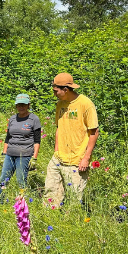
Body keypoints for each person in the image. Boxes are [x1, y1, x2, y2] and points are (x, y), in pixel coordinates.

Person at [44, 73, 99, 208]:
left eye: (55, 91)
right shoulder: (60, 104)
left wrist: (86, 158)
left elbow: (94, 132)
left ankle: (71, 219)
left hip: (77, 160)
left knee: (74, 200)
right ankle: (49, 217)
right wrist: (56, 151)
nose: (54, 94)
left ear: (65, 89)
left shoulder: (85, 104)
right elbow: (59, 128)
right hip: (58, 158)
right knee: (50, 194)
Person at [0, 93, 41, 197]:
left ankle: (22, 203)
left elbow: (37, 140)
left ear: (28, 105)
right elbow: (8, 138)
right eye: (19, 105)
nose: (21, 107)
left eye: (24, 105)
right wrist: (4, 154)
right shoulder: (13, 119)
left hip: (24, 155)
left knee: (21, 180)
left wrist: (34, 157)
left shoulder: (34, 119)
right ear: (16, 106)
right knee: (3, 179)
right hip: (10, 154)